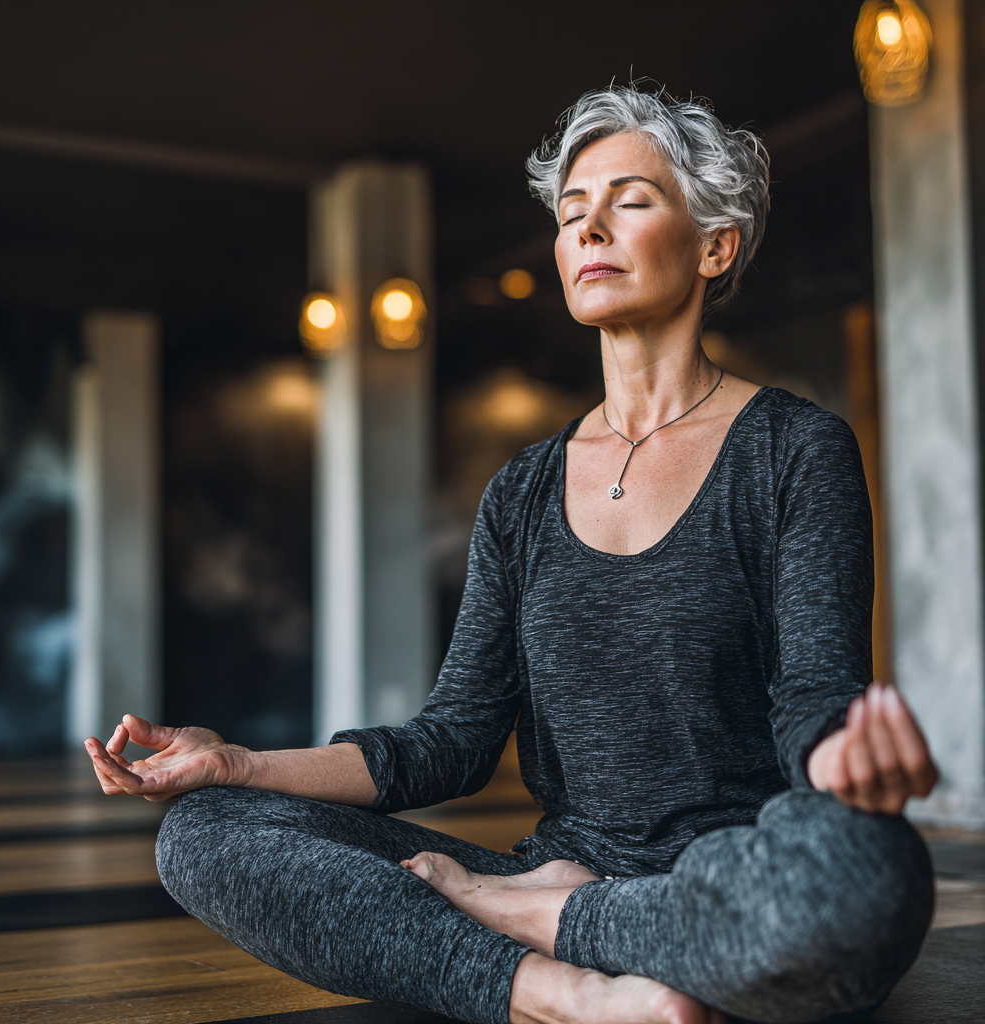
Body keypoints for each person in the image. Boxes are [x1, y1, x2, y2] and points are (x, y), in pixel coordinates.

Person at [85, 85, 939, 1024]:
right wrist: (236, 765)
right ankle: (555, 990)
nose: (589, 230)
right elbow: (450, 742)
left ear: (714, 244)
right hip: (564, 868)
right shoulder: (525, 491)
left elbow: (818, 699)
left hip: (734, 875)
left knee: (870, 874)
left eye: (630, 202)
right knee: (203, 836)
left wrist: (849, 769)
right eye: (574, 213)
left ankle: (546, 921)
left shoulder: (795, 451)